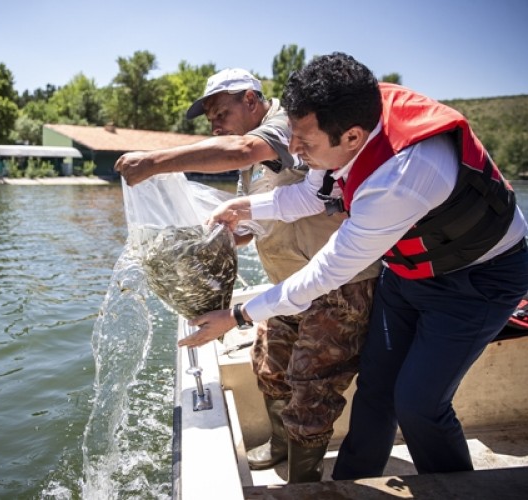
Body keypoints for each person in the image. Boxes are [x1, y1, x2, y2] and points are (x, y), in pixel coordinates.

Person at [180, 53, 528, 479]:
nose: (293, 149)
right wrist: (245, 204)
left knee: (418, 404)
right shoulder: (344, 114)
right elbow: (313, 195)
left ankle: (456, 488)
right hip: (406, 274)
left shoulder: (398, 179)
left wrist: (236, 315)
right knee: (376, 389)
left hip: (477, 281)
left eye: (304, 143)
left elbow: (326, 273)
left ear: (352, 137)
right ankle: (350, 482)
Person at [115, 68, 380, 483]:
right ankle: (279, 448)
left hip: (338, 287)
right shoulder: (257, 156)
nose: (216, 125)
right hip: (288, 286)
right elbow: (271, 210)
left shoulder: (283, 126)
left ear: (250, 100)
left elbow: (238, 149)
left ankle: (302, 483)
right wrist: (232, 235)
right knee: (269, 369)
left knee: (312, 391)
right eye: (211, 120)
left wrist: (154, 162)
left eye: (221, 112)